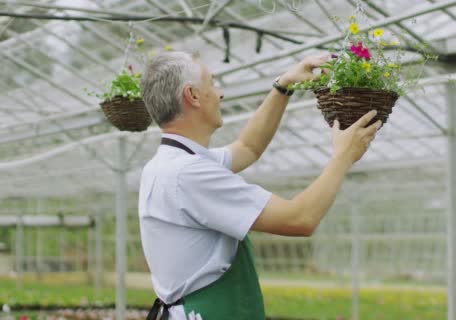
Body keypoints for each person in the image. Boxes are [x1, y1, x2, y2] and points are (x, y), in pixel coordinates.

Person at [138, 51, 381, 320]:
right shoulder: (187, 174)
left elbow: (248, 147)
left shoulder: (170, 163)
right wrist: (343, 156)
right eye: (212, 84)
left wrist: (283, 85)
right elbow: (300, 219)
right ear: (192, 95)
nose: (220, 94)